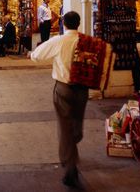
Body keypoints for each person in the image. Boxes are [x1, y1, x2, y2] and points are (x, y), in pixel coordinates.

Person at [28, 11, 86, 188]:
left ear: (64, 24)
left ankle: (70, 168)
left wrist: (30, 54)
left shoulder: (59, 40)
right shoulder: (86, 41)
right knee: (76, 125)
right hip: (83, 90)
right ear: (79, 23)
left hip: (64, 89)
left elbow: (37, 55)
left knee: (65, 127)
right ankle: (72, 154)